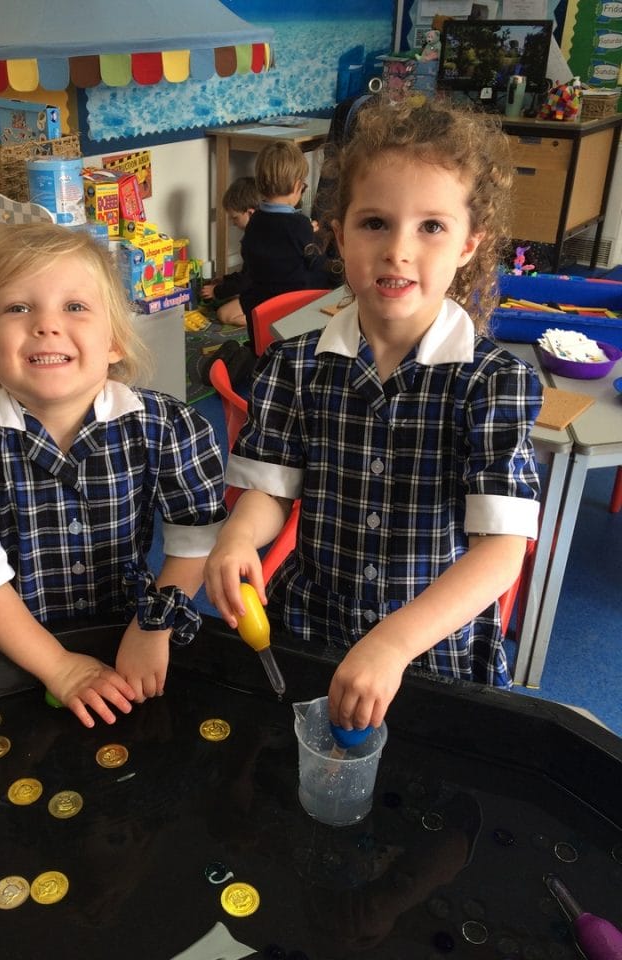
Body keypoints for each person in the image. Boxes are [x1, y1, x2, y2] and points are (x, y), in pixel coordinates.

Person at [204, 98, 542, 732]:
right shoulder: (295, 365)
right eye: (375, 223)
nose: (398, 251)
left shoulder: (494, 381)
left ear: (471, 243)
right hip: (313, 626)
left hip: (430, 649)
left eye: (431, 227)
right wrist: (237, 538)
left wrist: (393, 642)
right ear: (338, 233)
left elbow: (501, 549)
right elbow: (270, 491)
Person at [0, 223, 227, 729]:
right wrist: (57, 666)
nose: (46, 325)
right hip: (11, 647)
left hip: (128, 628)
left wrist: (154, 625)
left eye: (75, 307)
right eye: (18, 308)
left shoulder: (168, 426)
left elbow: (195, 540)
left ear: (115, 342)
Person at [238, 139, 332, 353]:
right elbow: (316, 262)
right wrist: (315, 237)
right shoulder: (299, 225)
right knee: (328, 275)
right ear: (298, 186)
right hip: (294, 306)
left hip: (259, 305)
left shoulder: (255, 221)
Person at [201, 176, 261, 328]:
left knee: (224, 314)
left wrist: (217, 291)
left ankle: (269, 321)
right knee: (235, 294)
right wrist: (225, 280)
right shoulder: (258, 233)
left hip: (269, 293)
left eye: (235, 218)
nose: (233, 223)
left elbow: (247, 280)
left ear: (250, 213)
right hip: (266, 287)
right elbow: (248, 273)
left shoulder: (254, 241)